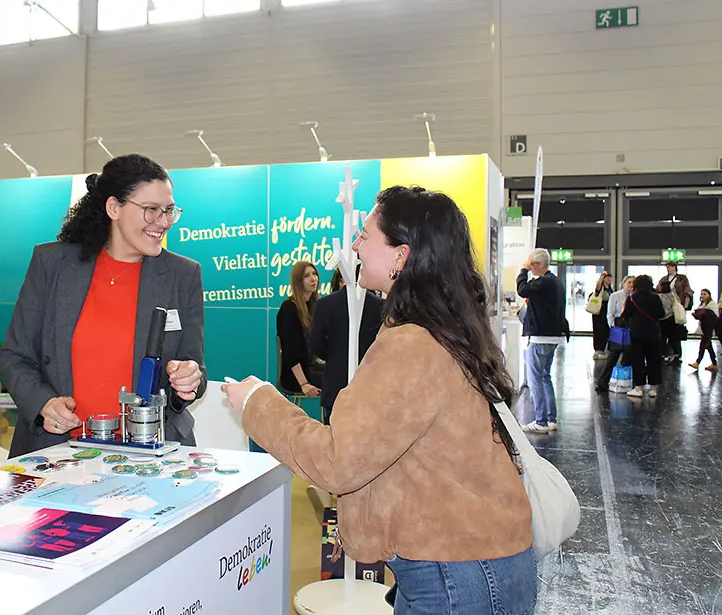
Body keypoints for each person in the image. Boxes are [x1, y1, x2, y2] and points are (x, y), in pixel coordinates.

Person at [224, 186, 536, 615]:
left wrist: (258, 402)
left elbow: (339, 461)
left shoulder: (412, 343)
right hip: (469, 565)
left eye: (366, 235)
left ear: (400, 255)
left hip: (456, 576)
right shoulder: (442, 331)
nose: (354, 244)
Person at [0, 154, 207, 457]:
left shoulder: (182, 275)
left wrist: (189, 379)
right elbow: (15, 357)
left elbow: (194, 368)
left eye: (169, 211)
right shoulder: (52, 265)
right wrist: (43, 403)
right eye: (151, 210)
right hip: (59, 451)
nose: (162, 223)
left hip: (150, 452)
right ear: (113, 208)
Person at [309, 268, 384, 423]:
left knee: (333, 439)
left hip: (336, 385)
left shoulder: (324, 305)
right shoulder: (380, 306)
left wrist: (334, 356)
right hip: (371, 386)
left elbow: (315, 345)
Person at [517, 248, 567, 434]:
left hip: (540, 337)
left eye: (531, 265)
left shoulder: (544, 283)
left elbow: (522, 290)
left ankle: (541, 421)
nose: (530, 269)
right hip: (553, 336)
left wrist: (522, 272)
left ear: (539, 265)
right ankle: (550, 419)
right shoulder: (556, 282)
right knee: (545, 377)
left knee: (535, 379)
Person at [276, 261, 323, 396]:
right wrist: (304, 384)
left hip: (313, 367)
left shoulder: (316, 306)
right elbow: (291, 352)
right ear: (298, 281)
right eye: (306, 276)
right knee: (335, 381)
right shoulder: (289, 309)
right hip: (297, 375)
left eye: (314, 274)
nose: (313, 278)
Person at [621, 275, 665, 398]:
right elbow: (661, 314)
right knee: (654, 360)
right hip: (653, 333)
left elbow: (625, 315)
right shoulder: (655, 298)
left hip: (637, 333)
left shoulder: (632, 298)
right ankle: (653, 389)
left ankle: (638, 388)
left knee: (638, 359)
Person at [595, 275, 636, 392]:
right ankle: (602, 383)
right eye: (629, 282)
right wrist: (613, 327)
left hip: (631, 327)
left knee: (629, 357)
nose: (631, 285)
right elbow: (610, 314)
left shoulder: (635, 297)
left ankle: (626, 382)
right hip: (618, 327)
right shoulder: (615, 296)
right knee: (612, 357)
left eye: (633, 283)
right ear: (624, 283)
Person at [658, 262, 694, 363]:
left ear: (674, 267)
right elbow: (658, 289)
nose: (668, 269)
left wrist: (685, 307)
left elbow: (688, 292)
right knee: (664, 333)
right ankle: (665, 353)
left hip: (676, 307)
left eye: (669, 267)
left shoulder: (682, 278)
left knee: (674, 333)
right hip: (665, 308)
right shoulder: (664, 279)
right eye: (667, 267)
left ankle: (676, 354)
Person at [689, 289, 719, 372]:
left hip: (709, 329)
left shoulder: (712, 304)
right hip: (704, 328)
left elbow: (711, 316)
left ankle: (697, 362)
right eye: (701, 294)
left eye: (704, 294)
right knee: (709, 347)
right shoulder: (702, 304)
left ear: (709, 295)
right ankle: (714, 364)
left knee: (702, 346)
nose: (702, 296)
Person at [590, 271, 613, 360]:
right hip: (599, 312)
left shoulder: (610, 289)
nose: (609, 280)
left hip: (607, 312)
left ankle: (604, 350)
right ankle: (598, 350)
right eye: (607, 278)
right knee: (599, 331)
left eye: (610, 278)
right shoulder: (601, 288)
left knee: (606, 331)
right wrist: (601, 276)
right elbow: (598, 286)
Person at [655, 280, 677, 363]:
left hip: (662, 320)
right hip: (672, 319)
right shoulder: (672, 295)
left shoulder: (659, 296)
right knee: (672, 337)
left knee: (662, 338)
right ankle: (676, 354)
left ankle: (662, 354)